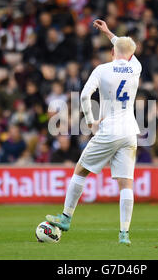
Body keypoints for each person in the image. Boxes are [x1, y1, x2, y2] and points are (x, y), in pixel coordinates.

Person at [45, 19, 141, 245]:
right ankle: (124, 234)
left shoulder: (102, 69)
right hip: (130, 131)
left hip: (109, 129)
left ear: (111, 53)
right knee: (126, 184)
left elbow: (85, 96)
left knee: (80, 171)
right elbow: (125, 49)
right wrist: (110, 33)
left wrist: (90, 122)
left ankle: (66, 218)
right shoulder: (136, 67)